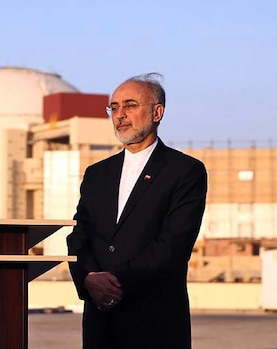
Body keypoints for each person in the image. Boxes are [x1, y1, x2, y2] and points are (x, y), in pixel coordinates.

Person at [66, 73, 208, 349]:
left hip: (155, 321)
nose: (120, 115)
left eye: (130, 105)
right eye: (114, 107)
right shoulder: (97, 174)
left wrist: (114, 284)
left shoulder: (184, 171)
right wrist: (88, 277)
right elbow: (79, 235)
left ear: (157, 112)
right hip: (101, 323)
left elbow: (173, 244)